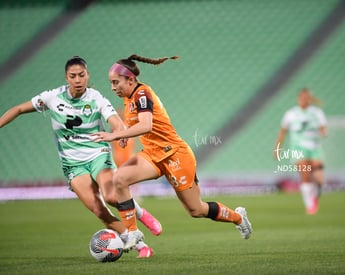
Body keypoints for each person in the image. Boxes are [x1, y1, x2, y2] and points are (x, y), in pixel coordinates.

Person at [0, 56, 161, 258]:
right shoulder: (52, 97)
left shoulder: (95, 98)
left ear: (87, 75)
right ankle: (141, 246)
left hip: (98, 155)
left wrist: (119, 132)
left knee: (111, 196)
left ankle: (141, 213)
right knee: (99, 210)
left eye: (81, 75)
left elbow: (114, 120)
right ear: (66, 77)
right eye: (73, 76)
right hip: (72, 164)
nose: (77, 80)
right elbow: (18, 109)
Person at [92, 53, 252, 251]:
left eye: (116, 82)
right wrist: (125, 132)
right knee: (119, 179)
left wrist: (115, 135)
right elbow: (140, 125)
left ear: (130, 79)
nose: (113, 87)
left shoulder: (142, 94)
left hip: (175, 155)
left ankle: (238, 217)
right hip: (152, 155)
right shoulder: (129, 97)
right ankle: (133, 231)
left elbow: (146, 125)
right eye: (111, 83)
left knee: (196, 209)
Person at [273, 88, 327, 215]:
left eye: (307, 97)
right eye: (302, 97)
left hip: (315, 148)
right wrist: (277, 148)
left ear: (310, 99)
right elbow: (283, 132)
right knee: (305, 174)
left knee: (319, 179)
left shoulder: (317, 113)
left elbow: (323, 127)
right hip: (298, 149)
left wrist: (323, 131)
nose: (304, 100)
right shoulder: (290, 114)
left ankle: (315, 196)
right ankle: (309, 205)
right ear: (298, 98)